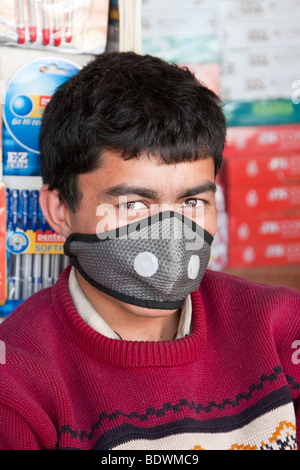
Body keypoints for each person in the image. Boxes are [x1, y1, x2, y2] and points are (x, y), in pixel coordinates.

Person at [0, 52, 299, 451]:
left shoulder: (281, 328)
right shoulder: (17, 384)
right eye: (134, 205)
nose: (170, 236)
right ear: (60, 210)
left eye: (193, 202)